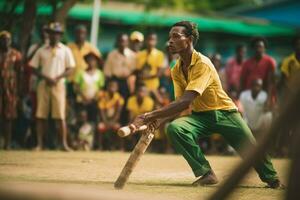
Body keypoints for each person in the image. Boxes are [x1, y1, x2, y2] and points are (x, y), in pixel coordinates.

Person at [129, 21, 283, 188]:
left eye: (175, 36)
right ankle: (206, 173)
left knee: (252, 149)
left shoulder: (203, 63)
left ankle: (273, 179)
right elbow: (179, 103)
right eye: (169, 37)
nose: (170, 41)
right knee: (175, 129)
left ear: (189, 39)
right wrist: (158, 121)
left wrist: (148, 116)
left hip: (225, 113)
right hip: (200, 116)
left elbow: (185, 101)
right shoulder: (176, 69)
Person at [29, 22, 75, 151]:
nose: (54, 36)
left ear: (60, 35)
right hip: (43, 84)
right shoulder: (41, 50)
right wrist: (46, 77)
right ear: (48, 34)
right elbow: (33, 68)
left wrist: (57, 78)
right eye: (52, 33)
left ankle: (64, 144)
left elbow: (71, 68)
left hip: (59, 84)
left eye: (57, 33)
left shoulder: (65, 50)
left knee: (60, 116)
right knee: (40, 114)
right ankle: (39, 144)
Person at [0, 31, 23, 149]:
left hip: (10, 88)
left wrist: (19, 90)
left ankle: (7, 143)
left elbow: (20, 72)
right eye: (3, 39)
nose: (5, 41)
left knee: (8, 116)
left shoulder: (16, 55)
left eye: (8, 39)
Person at [240, 37, 276, 109]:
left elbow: (271, 82)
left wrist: (269, 99)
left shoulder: (270, 62)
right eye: (256, 47)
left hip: (264, 95)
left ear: (264, 48)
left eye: (260, 47)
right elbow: (242, 81)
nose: (258, 49)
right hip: (249, 95)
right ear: (253, 48)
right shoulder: (247, 63)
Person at [74, 52, 105, 122]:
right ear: (86, 61)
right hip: (82, 101)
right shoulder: (80, 73)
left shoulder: (100, 74)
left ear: (96, 62)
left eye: (93, 60)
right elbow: (76, 87)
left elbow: (101, 88)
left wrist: (94, 98)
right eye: (89, 60)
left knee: (93, 119)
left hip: (94, 101)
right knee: (82, 118)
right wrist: (84, 97)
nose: (91, 62)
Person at [97, 80, 124, 150]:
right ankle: (100, 146)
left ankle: (120, 147)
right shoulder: (103, 96)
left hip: (114, 120)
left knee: (119, 128)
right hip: (105, 120)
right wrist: (106, 122)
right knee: (100, 127)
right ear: (107, 87)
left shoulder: (119, 98)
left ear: (117, 88)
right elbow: (102, 112)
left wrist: (112, 122)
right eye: (110, 86)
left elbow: (118, 113)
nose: (112, 88)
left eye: (114, 86)